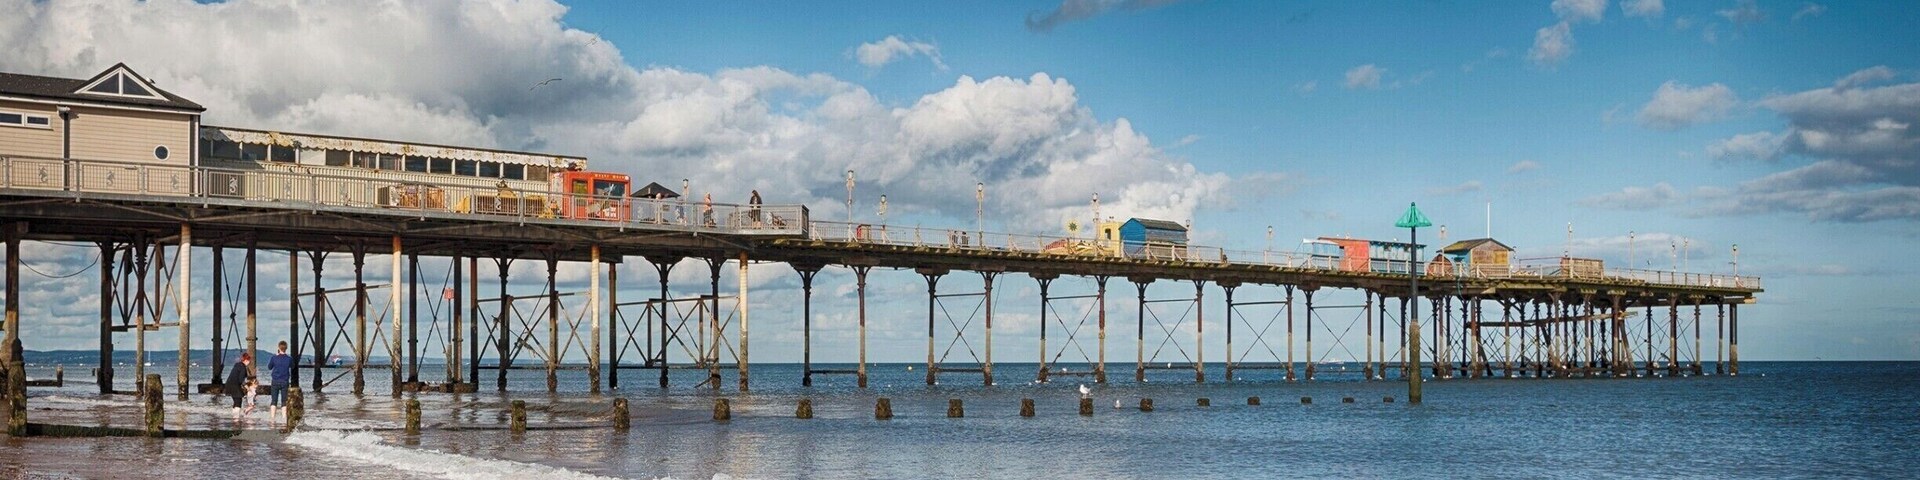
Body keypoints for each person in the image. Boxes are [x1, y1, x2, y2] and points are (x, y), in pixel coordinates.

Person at [267, 341, 294, 421]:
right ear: (286, 348)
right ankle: (284, 418)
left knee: (274, 400)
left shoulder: (274, 357)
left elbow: (269, 367)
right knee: (284, 401)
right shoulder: (289, 358)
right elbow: (293, 366)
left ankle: (272, 418)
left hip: (275, 381)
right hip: (285, 381)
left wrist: (276, 356)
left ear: (279, 348)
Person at [224, 353, 252, 421]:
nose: (250, 362)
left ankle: (234, 417)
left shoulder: (237, 364)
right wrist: (248, 388)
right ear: (246, 360)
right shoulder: (243, 367)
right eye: (249, 360)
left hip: (228, 384)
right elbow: (241, 380)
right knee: (238, 401)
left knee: (235, 401)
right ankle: (236, 419)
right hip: (235, 385)